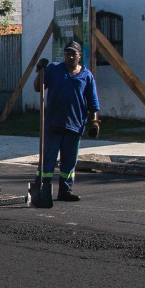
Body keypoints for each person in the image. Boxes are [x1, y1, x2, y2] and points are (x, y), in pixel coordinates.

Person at [32, 40, 100, 202]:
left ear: (79, 56)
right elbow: (37, 87)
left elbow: (93, 102)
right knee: (48, 159)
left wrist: (94, 122)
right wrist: (39, 71)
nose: (70, 57)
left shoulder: (86, 76)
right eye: (67, 53)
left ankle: (65, 190)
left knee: (69, 162)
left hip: (75, 125)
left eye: (73, 54)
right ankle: (41, 189)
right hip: (53, 124)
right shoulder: (54, 69)